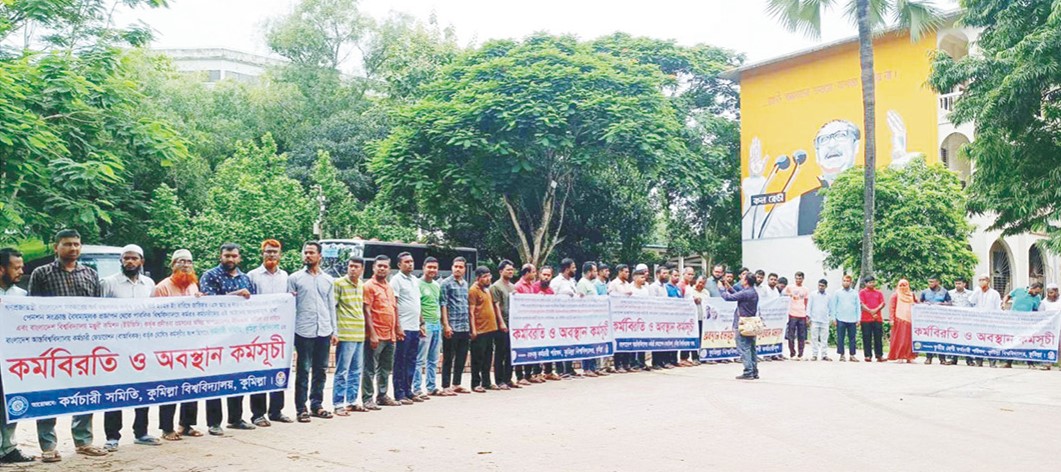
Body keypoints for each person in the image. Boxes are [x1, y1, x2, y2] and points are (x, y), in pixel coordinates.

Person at [28, 229, 108, 461]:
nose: (73, 248)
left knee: (85, 393)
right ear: (56, 247)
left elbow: (97, 311)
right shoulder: (41, 273)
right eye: (67, 244)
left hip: (84, 348)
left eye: (76, 244)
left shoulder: (91, 274)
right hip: (52, 347)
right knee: (48, 394)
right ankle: (48, 446)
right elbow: (33, 311)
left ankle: (83, 441)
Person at [101, 244, 161, 450]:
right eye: (126, 258)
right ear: (121, 261)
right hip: (115, 347)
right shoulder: (108, 283)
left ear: (141, 262)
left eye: (134, 258)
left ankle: (141, 432)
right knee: (115, 391)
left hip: (142, 346)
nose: (130, 262)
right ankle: (112, 436)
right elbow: (98, 313)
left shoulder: (149, 284)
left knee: (142, 389)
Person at [199, 243, 259, 435]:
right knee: (215, 380)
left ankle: (235, 418)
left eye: (234, 256)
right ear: (220, 256)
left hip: (239, 337)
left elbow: (255, 305)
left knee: (237, 378)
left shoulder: (245, 278)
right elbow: (210, 302)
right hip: (216, 336)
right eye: (227, 256)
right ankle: (214, 422)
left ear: (239, 258)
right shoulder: (210, 275)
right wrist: (236, 295)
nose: (230, 259)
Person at [152, 249, 204, 440]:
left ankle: (187, 424)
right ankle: (167, 428)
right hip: (169, 345)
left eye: (189, 261)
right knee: (170, 387)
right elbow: (155, 317)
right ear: (172, 265)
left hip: (191, 344)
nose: (185, 265)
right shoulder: (162, 288)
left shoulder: (193, 286)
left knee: (191, 385)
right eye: (180, 261)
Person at [246, 240, 293, 425]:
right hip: (258, 332)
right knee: (258, 371)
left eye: (275, 252)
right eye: (268, 252)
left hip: (279, 332)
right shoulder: (253, 276)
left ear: (280, 254)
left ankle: (276, 410)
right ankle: (258, 414)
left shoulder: (285, 276)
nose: (271, 255)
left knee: (278, 370)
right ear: (262, 254)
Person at [0, 248, 36, 464]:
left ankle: (8, 448)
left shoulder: (21, 296)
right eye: (17, 267)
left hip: (12, 363)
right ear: (1, 269)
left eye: (22, 267)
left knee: (10, 406)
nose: (21, 271)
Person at [362, 255, 402, 407]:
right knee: (369, 368)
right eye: (379, 266)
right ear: (373, 267)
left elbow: (393, 308)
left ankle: (383, 395)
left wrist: (397, 328)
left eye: (385, 266)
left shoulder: (389, 287)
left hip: (389, 335)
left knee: (385, 368)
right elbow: (367, 310)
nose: (382, 268)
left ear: (389, 269)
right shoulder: (368, 286)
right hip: (375, 335)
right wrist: (372, 333)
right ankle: (367, 398)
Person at [332, 258, 369, 414]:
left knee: (356, 370)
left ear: (362, 269)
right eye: (350, 266)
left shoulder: (361, 285)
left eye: (356, 267)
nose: (352, 269)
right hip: (345, 333)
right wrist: (334, 331)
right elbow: (332, 307)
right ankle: (338, 404)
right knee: (342, 370)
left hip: (359, 333)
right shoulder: (339, 284)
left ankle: (352, 401)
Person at [390, 252, 422, 405]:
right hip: (404, 327)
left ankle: (409, 390)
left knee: (411, 361)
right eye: (407, 262)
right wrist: (398, 326)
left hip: (415, 327)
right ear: (399, 265)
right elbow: (394, 305)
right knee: (400, 362)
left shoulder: (415, 280)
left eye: (412, 261)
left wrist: (421, 323)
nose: (410, 264)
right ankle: (399, 392)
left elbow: (417, 303)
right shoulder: (396, 280)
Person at [469, 267, 505, 392]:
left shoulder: (487, 290)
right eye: (484, 277)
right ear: (477, 278)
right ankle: (475, 383)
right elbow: (471, 311)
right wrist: (473, 329)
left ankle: (486, 382)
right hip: (480, 330)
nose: (487, 279)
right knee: (477, 359)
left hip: (490, 329)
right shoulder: (473, 290)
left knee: (488, 358)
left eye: (489, 276)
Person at [440, 257, 472, 394]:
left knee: (461, 356)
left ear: (464, 269)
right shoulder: (446, 283)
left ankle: (457, 383)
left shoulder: (465, 284)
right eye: (456, 266)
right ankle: (446, 386)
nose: (458, 269)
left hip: (464, 326)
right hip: (452, 326)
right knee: (448, 357)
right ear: (452, 267)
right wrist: (446, 325)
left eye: (461, 267)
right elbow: (443, 304)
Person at [414, 257, 444, 397]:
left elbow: (438, 304)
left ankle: (431, 387)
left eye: (434, 267)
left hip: (437, 324)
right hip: (426, 325)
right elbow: (417, 305)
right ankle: (417, 389)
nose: (432, 270)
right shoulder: (418, 284)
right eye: (429, 267)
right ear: (423, 267)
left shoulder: (437, 285)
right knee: (420, 359)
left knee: (433, 359)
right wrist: (421, 324)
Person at [721, 274, 760, 380]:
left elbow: (728, 298)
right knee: (751, 347)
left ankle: (748, 371)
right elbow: (738, 295)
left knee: (744, 348)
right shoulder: (753, 292)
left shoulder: (746, 292)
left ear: (746, 281)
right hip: (751, 323)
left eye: (743, 278)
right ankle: (754, 370)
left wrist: (722, 289)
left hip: (742, 323)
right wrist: (730, 288)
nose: (741, 280)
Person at [490, 260, 519, 388]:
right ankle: (499, 380)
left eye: (512, 270)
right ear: (501, 271)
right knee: (500, 353)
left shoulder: (513, 287)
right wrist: (501, 323)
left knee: (510, 352)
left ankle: (508, 378)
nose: (511, 272)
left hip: (512, 324)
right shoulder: (496, 287)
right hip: (501, 324)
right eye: (508, 270)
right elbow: (496, 306)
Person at [513, 263, 543, 383]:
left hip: (531, 322)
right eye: (533, 272)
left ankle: (528, 375)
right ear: (526, 273)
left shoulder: (531, 286)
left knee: (530, 348)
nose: (535, 274)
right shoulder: (518, 286)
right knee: (521, 349)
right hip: (521, 323)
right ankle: (520, 376)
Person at [549, 259, 579, 378]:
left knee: (570, 343)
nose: (575, 269)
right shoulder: (556, 281)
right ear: (567, 269)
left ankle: (569, 368)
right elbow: (552, 298)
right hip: (559, 317)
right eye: (573, 267)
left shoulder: (572, 281)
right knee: (560, 343)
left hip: (571, 317)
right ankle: (561, 370)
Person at [1004, 282, 1044, 369]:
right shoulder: (1019, 290)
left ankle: (1030, 363)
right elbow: (1008, 296)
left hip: (1026, 323)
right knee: (1013, 341)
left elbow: (1035, 310)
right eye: (1036, 292)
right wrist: (1004, 303)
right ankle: (1008, 362)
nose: (1037, 294)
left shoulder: (1037, 298)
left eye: (1039, 293)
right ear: (1032, 288)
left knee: (1027, 342)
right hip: (1013, 321)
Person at [969, 274, 1002, 367]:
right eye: (979, 280)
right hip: (978, 321)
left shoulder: (995, 293)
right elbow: (971, 301)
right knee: (978, 341)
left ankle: (992, 362)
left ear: (988, 281)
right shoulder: (977, 292)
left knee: (991, 341)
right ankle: (979, 361)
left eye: (983, 280)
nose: (981, 282)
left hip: (990, 322)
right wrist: (977, 290)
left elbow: (997, 308)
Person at [575, 261, 601, 376]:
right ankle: (587, 369)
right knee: (587, 344)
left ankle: (593, 367)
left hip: (594, 318)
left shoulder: (591, 283)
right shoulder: (582, 283)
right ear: (589, 272)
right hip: (586, 318)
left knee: (594, 343)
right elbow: (581, 302)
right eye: (595, 271)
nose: (596, 273)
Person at [608, 264, 636, 373]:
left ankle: (626, 364)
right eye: (625, 272)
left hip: (627, 316)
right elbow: (611, 297)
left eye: (628, 272)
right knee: (618, 341)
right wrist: (624, 294)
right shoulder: (614, 284)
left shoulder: (628, 284)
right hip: (617, 317)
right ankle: (618, 365)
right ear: (619, 272)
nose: (627, 274)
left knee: (627, 341)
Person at [920, 276, 954, 365]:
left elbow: (950, 303)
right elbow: (919, 303)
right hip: (928, 319)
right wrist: (924, 304)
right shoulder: (925, 292)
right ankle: (928, 357)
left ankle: (942, 359)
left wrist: (942, 304)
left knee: (941, 338)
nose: (930, 284)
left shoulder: (944, 292)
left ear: (937, 282)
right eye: (929, 282)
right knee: (929, 337)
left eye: (932, 282)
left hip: (941, 319)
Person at [829, 275, 861, 362]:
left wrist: (858, 319)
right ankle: (842, 355)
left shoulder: (855, 293)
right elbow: (834, 306)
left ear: (850, 282)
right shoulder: (837, 293)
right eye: (844, 281)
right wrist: (833, 318)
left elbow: (858, 306)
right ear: (842, 282)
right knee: (840, 337)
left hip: (852, 319)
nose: (846, 282)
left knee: (852, 338)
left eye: (847, 281)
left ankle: (852, 355)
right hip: (840, 318)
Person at [948, 277, 977, 366]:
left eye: (959, 283)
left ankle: (969, 359)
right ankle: (953, 359)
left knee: (967, 339)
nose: (957, 285)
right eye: (956, 283)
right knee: (954, 339)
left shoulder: (970, 294)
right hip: (954, 320)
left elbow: (974, 306)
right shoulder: (950, 293)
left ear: (964, 284)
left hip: (967, 321)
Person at [888, 279, 917, 363]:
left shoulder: (912, 295)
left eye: (904, 285)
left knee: (909, 340)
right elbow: (891, 308)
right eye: (901, 285)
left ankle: (909, 357)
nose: (903, 287)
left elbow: (917, 305)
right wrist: (891, 319)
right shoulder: (895, 295)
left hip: (910, 320)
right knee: (900, 339)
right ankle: (900, 357)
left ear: (908, 285)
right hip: (899, 320)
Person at [684, 275, 711, 366]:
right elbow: (685, 302)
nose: (700, 284)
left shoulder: (706, 292)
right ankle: (692, 357)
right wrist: (693, 300)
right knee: (692, 338)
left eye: (703, 283)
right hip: (692, 319)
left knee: (701, 338)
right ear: (695, 281)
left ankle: (701, 356)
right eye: (699, 282)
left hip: (703, 319)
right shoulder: (690, 291)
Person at [859, 276, 886, 362]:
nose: (872, 284)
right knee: (867, 337)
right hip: (866, 319)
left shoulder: (878, 293)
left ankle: (879, 355)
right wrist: (870, 311)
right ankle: (868, 355)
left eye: (873, 282)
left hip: (877, 319)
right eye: (869, 282)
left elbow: (882, 303)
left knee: (878, 337)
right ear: (866, 283)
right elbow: (861, 304)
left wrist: (875, 310)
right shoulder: (862, 292)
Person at [784, 272, 809, 360]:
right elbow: (784, 295)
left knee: (801, 335)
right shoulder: (790, 287)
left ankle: (800, 354)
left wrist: (806, 314)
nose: (798, 280)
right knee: (791, 335)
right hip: (792, 314)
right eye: (797, 278)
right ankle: (792, 353)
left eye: (800, 278)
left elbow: (806, 302)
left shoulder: (805, 289)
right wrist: (789, 295)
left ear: (803, 279)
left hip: (802, 314)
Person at [806, 278, 832, 361]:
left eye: (822, 286)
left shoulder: (828, 296)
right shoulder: (813, 294)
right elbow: (809, 306)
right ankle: (814, 355)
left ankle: (824, 355)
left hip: (825, 320)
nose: (821, 287)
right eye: (819, 285)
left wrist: (830, 317)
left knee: (824, 339)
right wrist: (808, 317)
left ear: (826, 286)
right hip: (814, 320)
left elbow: (830, 308)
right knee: (814, 338)